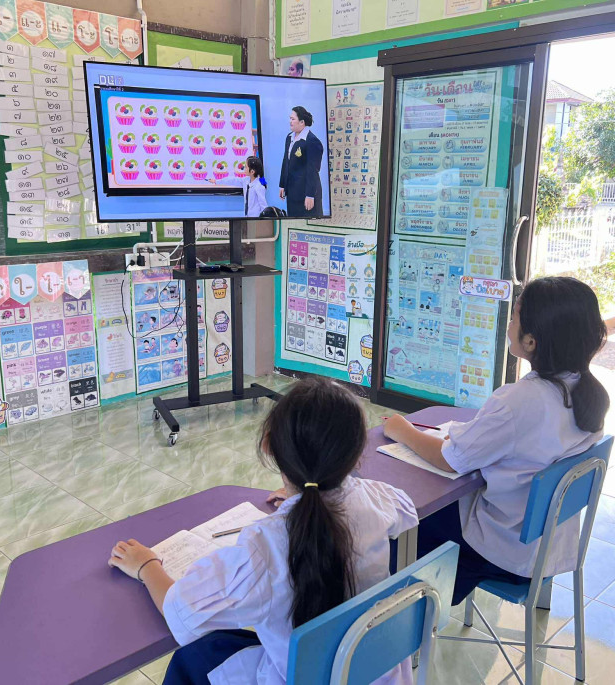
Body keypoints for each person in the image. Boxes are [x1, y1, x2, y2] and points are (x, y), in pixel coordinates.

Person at [108, 377, 418, 684]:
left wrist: (147, 565)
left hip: (302, 676)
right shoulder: (376, 499)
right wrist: (307, 499)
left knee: (192, 657)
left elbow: (179, 612)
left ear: (268, 445)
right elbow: (407, 511)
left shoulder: (263, 547)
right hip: (372, 669)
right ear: (358, 451)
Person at [384, 277, 610, 605]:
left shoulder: (520, 400)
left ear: (531, 340)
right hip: (547, 546)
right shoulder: (590, 395)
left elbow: (449, 460)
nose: (509, 324)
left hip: (504, 551)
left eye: (514, 317)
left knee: (399, 517)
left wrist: (402, 430)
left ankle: (409, 614)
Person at [279, 106, 324, 218]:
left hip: (306, 193)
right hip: (292, 192)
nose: (290, 121)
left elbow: (313, 170)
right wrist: (282, 185)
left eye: (293, 119)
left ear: (302, 122)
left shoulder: (312, 141)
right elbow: (286, 162)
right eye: (290, 118)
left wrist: (310, 195)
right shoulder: (289, 138)